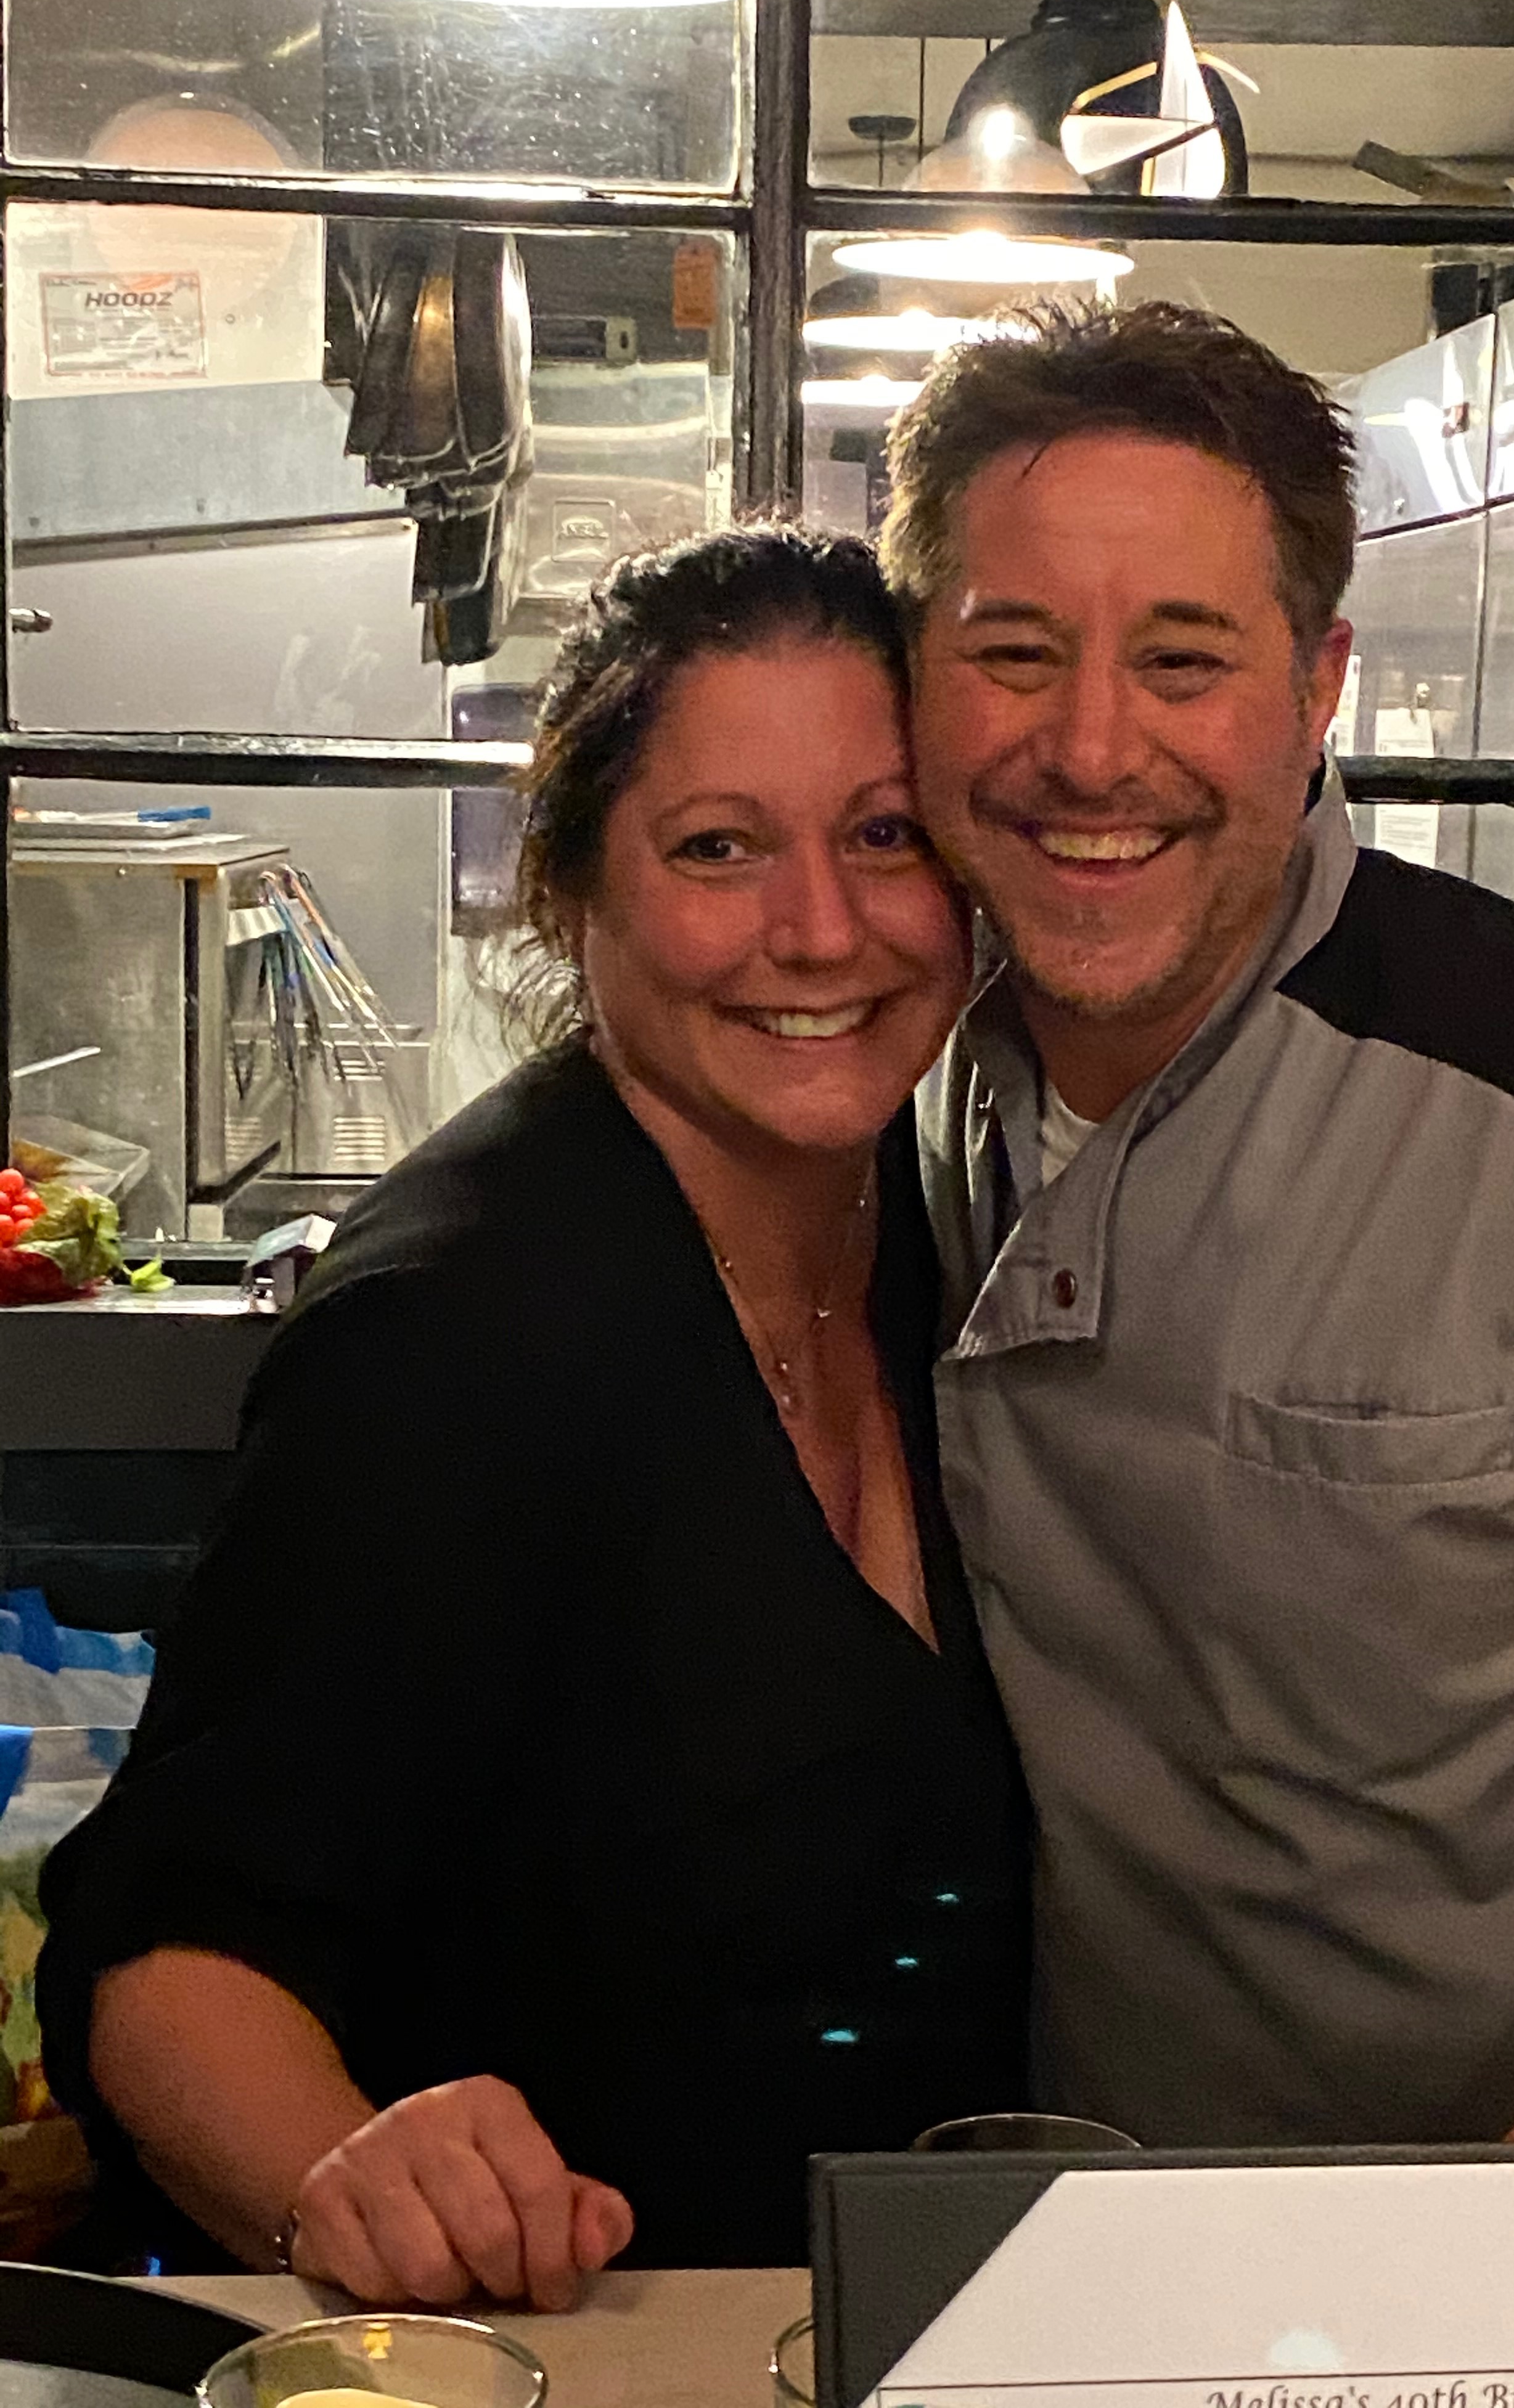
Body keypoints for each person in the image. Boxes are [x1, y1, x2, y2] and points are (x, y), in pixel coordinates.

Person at [884, 296, 1514, 2154]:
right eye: (1015, 654)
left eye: (1184, 662)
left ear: (1318, 688)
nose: (1091, 751)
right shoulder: (917, 1071)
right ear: (917, 676)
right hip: (1104, 2216)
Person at [38, 526, 1028, 2301]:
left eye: (885, 835)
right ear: (569, 893)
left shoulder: (936, 1230)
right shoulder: (453, 1339)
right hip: (572, 2351)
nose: (823, 928)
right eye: (718, 847)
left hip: (890, 2320)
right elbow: (170, 1950)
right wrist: (345, 2182)